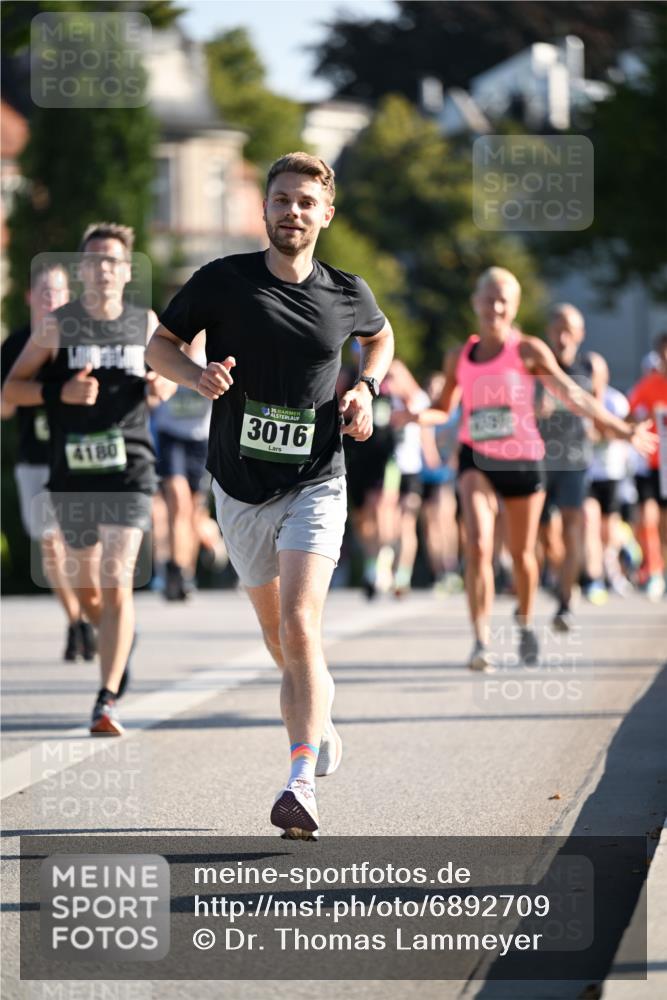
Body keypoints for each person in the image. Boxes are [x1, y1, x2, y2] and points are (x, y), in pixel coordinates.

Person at [145, 152, 394, 838]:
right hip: (238, 486)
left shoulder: (346, 291)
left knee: (300, 623)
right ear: (265, 210)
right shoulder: (222, 282)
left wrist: (367, 389)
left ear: (325, 214)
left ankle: (299, 782)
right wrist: (195, 376)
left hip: (316, 478)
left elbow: (380, 338)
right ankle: (319, 717)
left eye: (305, 202)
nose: (292, 212)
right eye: (282, 200)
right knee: (275, 634)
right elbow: (160, 347)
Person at [397, 267, 655, 671]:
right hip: (475, 459)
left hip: (522, 460)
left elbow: (573, 394)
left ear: (514, 307)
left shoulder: (528, 350)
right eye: (489, 298)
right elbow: (444, 409)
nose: (496, 306)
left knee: (522, 554)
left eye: (504, 300)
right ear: (475, 302)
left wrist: (620, 428)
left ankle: (524, 622)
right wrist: (415, 417)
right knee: (480, 544)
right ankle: (481, 640)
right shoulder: (458, 356)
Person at [3, 222, 174, 735]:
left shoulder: (143, 322)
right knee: (90, 588)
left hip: (130, 468)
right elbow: (12, 389)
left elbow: (168, 375)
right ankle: (115, 642)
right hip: (72, 473)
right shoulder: (57, 326)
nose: (102, 268)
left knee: (117, 577)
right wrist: (60, 396)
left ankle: (106, 700)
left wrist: (160, 382)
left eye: (112, 261)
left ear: (125, 272)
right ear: (81, 272)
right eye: (93, 260)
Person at [0, 262, 94, 660]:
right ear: (30, 298)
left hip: (77, 459)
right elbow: (5, 407)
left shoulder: (78, 343)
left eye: (57, 293)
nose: (50, 300)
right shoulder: (17, 344)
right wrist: (51, 392)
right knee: (52, 545)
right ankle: (76, 620)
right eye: (43, 293)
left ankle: (89, 618)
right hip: (35, 460)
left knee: (80, 548)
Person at [537, 304, 609, 629]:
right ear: (550, 332)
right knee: (545, 538)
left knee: (572, 530)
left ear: (580, 334)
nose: (563, 336)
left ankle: (566, 602)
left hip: (576, 460)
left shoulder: (592, 366)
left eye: (570, 330)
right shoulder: (538, 364)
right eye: (558, 329)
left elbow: (599, 411)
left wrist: (608, 431)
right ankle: (558, 575)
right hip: (539, 461)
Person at [151, 332, 213, 600]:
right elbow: (152, 398)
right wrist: (154, 389)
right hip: (171, 437)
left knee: (192, 512)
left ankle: (185, 572)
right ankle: (174, 569)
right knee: (178, 500)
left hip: (201, 441)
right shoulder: (167, 356)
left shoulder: (212, 357)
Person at [627, 332, 667, 600]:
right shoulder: (648, 384)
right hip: (651, 463)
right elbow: (629, 415)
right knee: (647, 518)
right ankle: (653, 570)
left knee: (664, 523)